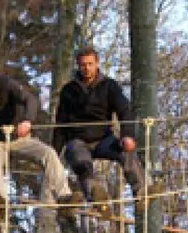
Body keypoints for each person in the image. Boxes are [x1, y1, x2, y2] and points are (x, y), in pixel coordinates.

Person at [0, 52, 79, 233]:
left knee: (48, 153)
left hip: (19, 137)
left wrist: (27, 120)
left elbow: (30, 100)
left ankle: (65, 197)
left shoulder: (4, 83)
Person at [53, 47, 145, 202]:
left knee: (126, 152)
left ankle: (142, 190)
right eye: (83, 65)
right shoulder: (68, 90)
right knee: (81, 163)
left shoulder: (109, 86)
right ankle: (96, 195)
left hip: (103, 139)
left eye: (90, 64)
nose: (87, 68)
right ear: (78, 65)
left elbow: (124, 111)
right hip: (77, 140)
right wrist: (54, 153)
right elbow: (60, 124)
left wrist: (127, 136)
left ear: (96, 64)